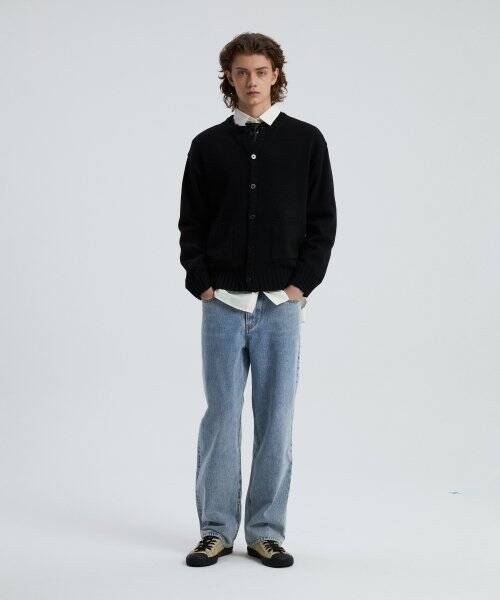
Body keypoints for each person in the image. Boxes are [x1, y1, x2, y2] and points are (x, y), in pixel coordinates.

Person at [178, 32, 337, 568]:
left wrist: (299, 286)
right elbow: (191, 222)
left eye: (261, 71)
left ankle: (266, 531)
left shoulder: (306, 141)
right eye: (242, 72)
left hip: (280, 306)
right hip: (222, 304)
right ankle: (216, 530)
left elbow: (322, 222)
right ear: (229, 77)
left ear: (276, 75)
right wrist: (202, 282)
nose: (252, 81)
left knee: (276, 421)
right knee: (221, 419)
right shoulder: (207, 145)